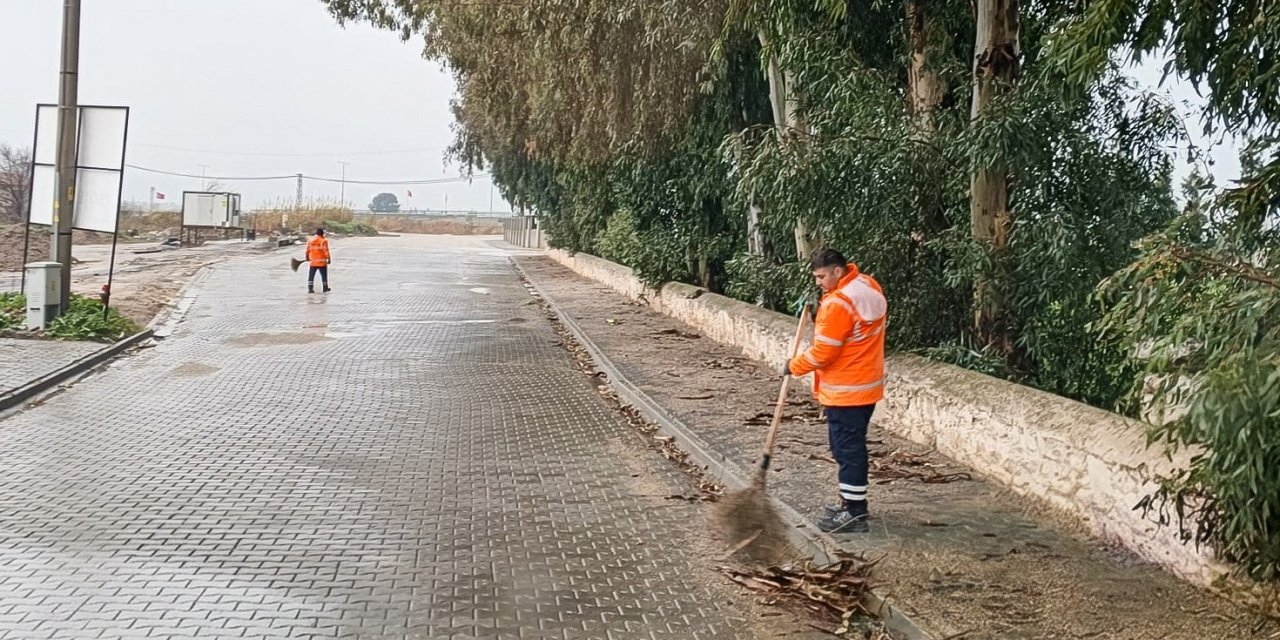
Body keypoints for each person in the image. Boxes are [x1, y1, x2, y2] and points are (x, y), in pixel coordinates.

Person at [787, 248, 887, 533]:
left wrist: (793, 366)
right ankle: (850, 502)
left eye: (821, 277)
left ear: (838, 272)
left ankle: (855, 512)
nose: (818, 282)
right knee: (849, 446)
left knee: (848, 450)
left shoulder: (837, 305)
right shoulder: (867, 285)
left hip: (846, 390)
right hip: (866, 386)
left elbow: (823, 353)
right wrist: (823, 301)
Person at [305, 228, 332, 293]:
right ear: (322, 234)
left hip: (313, 262)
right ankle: (325, 288)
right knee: (324, 276)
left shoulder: (310, 241)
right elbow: (326, 251)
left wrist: (307, 258)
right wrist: (329, 258)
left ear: (316, 234)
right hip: (322, 262)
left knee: (311, 276)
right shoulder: (323, 241)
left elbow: (307, 251)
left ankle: (310, 289)